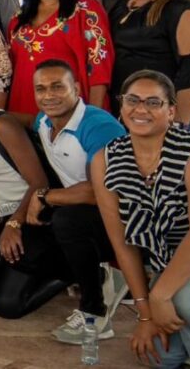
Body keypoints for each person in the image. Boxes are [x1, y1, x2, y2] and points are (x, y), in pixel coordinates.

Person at [92, 70, 190, 369]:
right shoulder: (105, 159)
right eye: (132, 100)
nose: (141, 109)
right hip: (175, 261)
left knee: (188, 304)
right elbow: (123, 244)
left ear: (171, 110)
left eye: (153, 102)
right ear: (121, 106)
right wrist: (146, 314)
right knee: (159, 357)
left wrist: (160, 295)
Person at [0, 53, 70, 320]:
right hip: (7, 221)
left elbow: (39, 182)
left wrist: (14, 224)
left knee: (8, 305)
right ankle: (24, 269)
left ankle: (73, 272)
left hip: (32, 218)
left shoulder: (2, 124)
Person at [26, 60, 127, 344]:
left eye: (58, 86)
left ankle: (94, 313)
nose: (49, 95)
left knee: (67, 220)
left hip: (125, 219)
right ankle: (100, 276)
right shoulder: (44, 121)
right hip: (86, 214)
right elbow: (26, 120)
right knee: (28, 247)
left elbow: (102, 191)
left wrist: (44, 196)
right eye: (41, 89)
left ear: (77, 88)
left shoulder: (97, 125)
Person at [7, 0, 113, 117]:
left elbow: (100, 65)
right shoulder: (19, 18)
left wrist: (94, 116)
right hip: (23, 112)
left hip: (72, 112)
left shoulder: (86, 9)